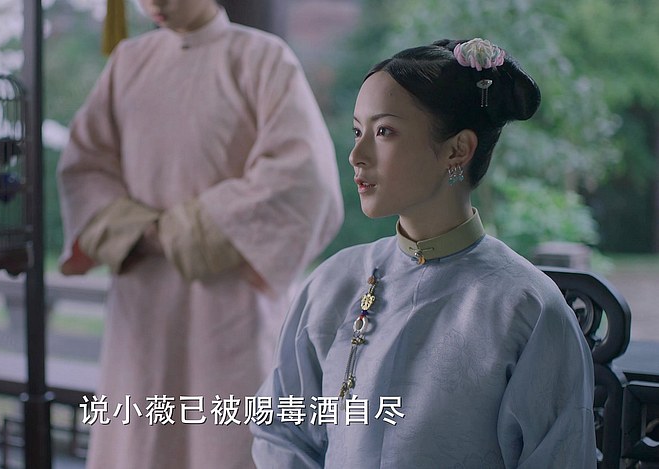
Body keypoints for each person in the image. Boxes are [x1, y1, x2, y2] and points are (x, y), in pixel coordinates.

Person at [250, 38, 595, 468]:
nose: (357, 155)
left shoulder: (527, 308)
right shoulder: (331, 284)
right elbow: (280, 430)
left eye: (384, 132)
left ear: (457, 150)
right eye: (357, 131)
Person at [56, 0, 344, 467]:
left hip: (231, 300)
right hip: (141, 300)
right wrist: (145, 233)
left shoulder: (262, 57)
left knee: (230, 441)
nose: (154, 4)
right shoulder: (128, 60)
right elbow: (85, 168)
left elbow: (301, 177)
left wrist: (177, 232)